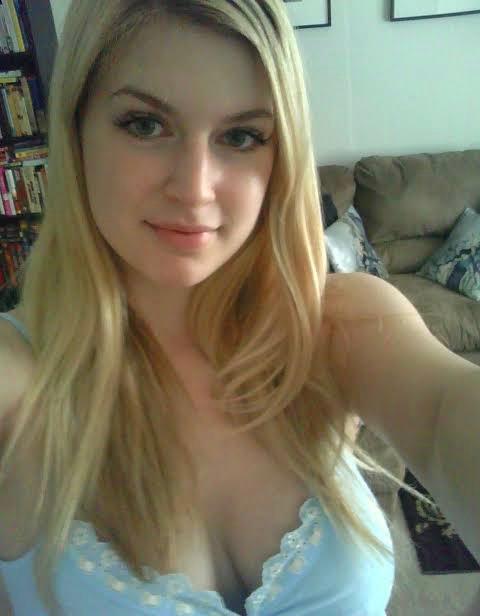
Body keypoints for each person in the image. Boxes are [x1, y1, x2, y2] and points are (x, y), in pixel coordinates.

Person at [0, 1, 478, 615]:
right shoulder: (19, 377)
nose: (195, 188)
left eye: (241, 136)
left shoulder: (337, 328)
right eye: (145, 124)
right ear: (76, 134)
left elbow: (445, 413)